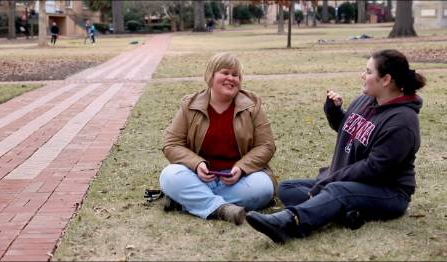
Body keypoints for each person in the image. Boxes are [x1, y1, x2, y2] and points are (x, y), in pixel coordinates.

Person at [246, 49, 426, 243]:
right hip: (350, 181)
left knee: (336, 191)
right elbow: (348, 130)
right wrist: (334, 112)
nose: (362, 76)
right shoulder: (366, 100)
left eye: (368, 71)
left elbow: (374, 169)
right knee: (287, 188)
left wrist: (330, 181)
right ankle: (346, 211)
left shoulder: (403, 122)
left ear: (386, 80)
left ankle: (290, 223)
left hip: (387, 192)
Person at [160, 52, 276, 225]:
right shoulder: (190, 105)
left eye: (235, 75)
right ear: (210, 75)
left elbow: (266, 145)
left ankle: (186, 200)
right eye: (225, 73)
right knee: (169, 175)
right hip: (197, 177)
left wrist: (241, 168)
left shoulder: (252, 105)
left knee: (264, 187)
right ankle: (221, 209)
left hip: (239, 181)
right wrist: (197, 164)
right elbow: (171, 144)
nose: (231, 78)